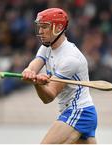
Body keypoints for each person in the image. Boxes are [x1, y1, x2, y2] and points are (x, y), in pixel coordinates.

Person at [22, 8, 97, 144]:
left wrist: (36, 83)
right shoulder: (47, 46)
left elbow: (49, 96)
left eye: (44, 27)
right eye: (40, 27)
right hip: (76, 112)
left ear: (58, 27)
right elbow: (34, 65)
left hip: (79, 112)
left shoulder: (70, 59)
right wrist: (29, 71)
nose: (40, 31)